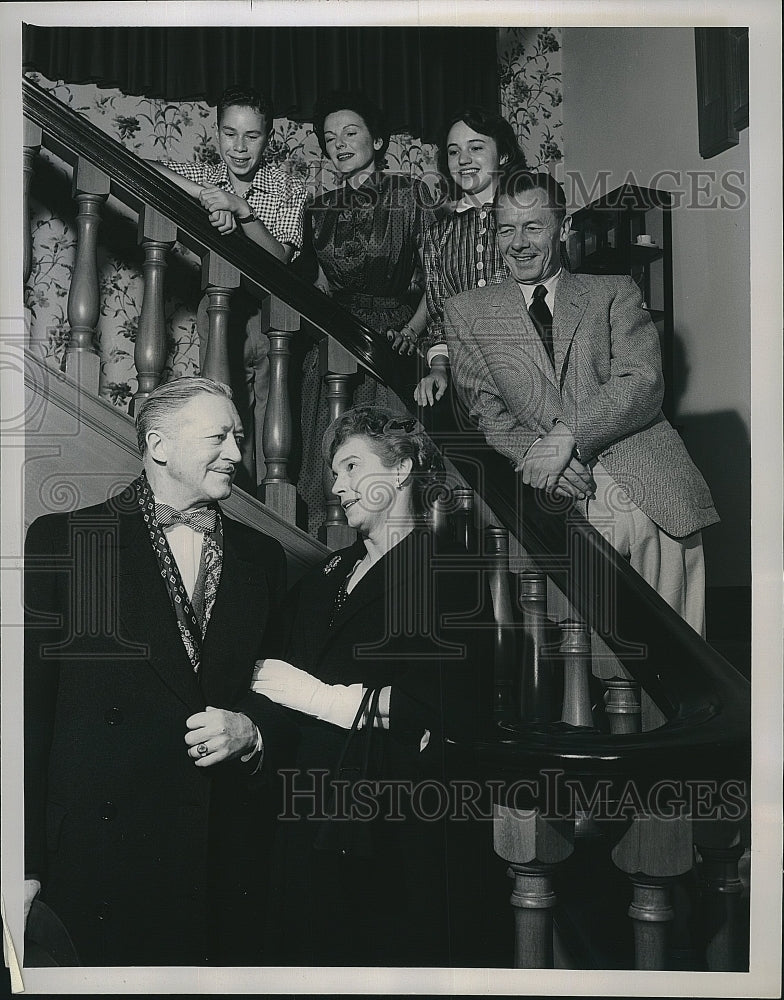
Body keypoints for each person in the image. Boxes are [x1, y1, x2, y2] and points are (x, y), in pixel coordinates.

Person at [23, 377, 291, 966]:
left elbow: (280, 685)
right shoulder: (67, 543)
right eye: (220, 437)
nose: (239, 456)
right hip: (101, 857)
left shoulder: (264, 559)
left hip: (219, 852)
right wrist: (24, 866)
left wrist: (252, 729)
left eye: (240, 438)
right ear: (159, 444)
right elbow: (27, 717)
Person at [253, 406, 507, 966]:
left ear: (401, 470)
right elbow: (270, 672)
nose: (336, 485)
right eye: (334, 471)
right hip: (307, 812)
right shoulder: (327, 574)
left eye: (349, 466)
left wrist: (318, 697)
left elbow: (449, 706)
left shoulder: (448, 570)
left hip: (391, 827)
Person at [445, 171, 719, 633]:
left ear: (563, 228)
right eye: (507, 229)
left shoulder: (614, 291)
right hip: (561, 494)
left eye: (533, 227)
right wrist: (536, 453)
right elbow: (487, 414)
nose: (519, 243)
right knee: (594, 653)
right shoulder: (467, 312)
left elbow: (643, 383)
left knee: (681, 652)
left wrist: (564, 436)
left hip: (652, 486)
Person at [147, 86, 307, 495]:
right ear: (217, 132)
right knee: (222, 420)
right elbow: (146, 166)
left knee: (272, 425)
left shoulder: (290, 188)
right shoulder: (208, 177)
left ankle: (270, 518)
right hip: (219, 316)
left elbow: (280, 258)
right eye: (230, 133)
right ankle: (234, 509)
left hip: (271, 323)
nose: (239, 146)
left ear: (267, 137)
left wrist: (242, 210)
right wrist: (206, 195)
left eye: (251, 136)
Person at [297, 91, 437, 536]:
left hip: (393, 341)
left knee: (388, 460)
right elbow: (315, 288)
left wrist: (412, 331)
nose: (337, 143)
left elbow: (438, 277)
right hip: (335, 342)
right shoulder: (316, 212)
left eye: (350, 132)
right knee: (329, 456)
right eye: (329, 137)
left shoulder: (411, 194)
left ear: (377, 141)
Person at [406, 107, 527, 407]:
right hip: (467, 381)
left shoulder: (529, 216)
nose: (463, 159)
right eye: (453, 151)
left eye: (476, 147)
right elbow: (438, 317)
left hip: (529, 368)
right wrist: (438, 372)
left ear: (503, 156)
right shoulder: (437, 235)